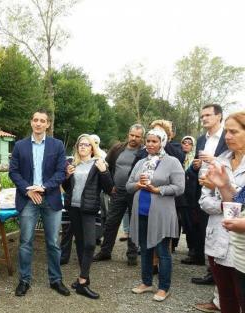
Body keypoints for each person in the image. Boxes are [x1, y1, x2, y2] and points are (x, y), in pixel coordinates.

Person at [196, 111, 245, 313]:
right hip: (218, 235)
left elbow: (237, 201)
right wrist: (225, 205)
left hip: (242, 243)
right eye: (227, 131)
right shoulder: (220, 160)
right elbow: (204, 199)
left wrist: (225, 192)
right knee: (225, 295)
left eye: (234, 131)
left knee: (243, 295)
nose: (228, 136)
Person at [9, 109, 70, 297]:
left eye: (42, 120)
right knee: (26, 241)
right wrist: (28, 189)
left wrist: (43, 188)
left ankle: (56, 280)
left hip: (50, 197)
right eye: (35, 120)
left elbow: (61, 172)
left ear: (48, 124)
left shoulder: (57, 145)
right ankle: (24, 280)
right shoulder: (20, 146)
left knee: (52, 242)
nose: (38, 123)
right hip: (28, 199)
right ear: (31, 122)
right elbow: (14, 172)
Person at [126, 128, 185, 302]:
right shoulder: (141, 162)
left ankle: (164, 287)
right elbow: (128, 186)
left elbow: (180, 188)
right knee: (144, 248)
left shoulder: (172, 162)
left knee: (162, 250)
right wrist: (138, 184)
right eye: (148, 141)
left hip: (161, 213)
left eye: (154, 141)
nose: (150, 144)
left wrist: (158, 189)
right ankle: (146, 282)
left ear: (162, 142)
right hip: (141, 211)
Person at [62, 134, 113, 299]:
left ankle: (82, 282)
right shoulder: (72, 164)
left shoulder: (98, 164)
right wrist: (67, 176)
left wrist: (104, 172)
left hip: (89, 209)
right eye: (80, 145)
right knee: (81, 242)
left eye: (87, 145)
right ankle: (83, 279)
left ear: (92, 148)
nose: (83, 147)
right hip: (74, 208)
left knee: (90, 244)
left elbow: (109, 188)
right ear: (77, 148)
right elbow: (66, 187)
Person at [183, 104, 227, 273]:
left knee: (218, 231)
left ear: (219, 116)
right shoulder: (201, 139)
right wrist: (196, 166)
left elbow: (233, 162)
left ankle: (215, 272)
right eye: (202, 116)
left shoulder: (226, 138)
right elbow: (197, 164)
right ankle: (206, 264)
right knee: (202, 228)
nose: (204, 119)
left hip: (220, 191)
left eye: (208, 115)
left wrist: (213, 159)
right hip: (201, 189)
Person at [94, 124, 145, 265]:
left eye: (137, 136)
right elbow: (106, 167)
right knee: (111, 223)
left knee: (134, 224)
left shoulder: (144, 151)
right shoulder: (117, 148)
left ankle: (132, 255)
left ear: (142, 138)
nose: (133, 138)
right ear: (128, 134)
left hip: (136, 192)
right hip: (117, 192)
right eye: (132, 135)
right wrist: (109, 186)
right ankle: (105, 252)